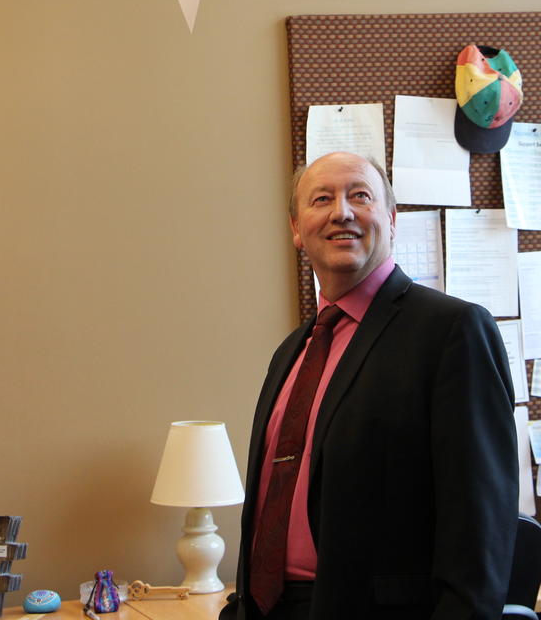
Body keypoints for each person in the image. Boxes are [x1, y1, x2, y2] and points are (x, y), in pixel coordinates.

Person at [221, 152, 520, 620]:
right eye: (322, 199)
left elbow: (480, 532)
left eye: (360, 196)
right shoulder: (292, 353)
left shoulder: (450, 331)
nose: (341, 211)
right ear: (297, 230)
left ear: (392, 219)